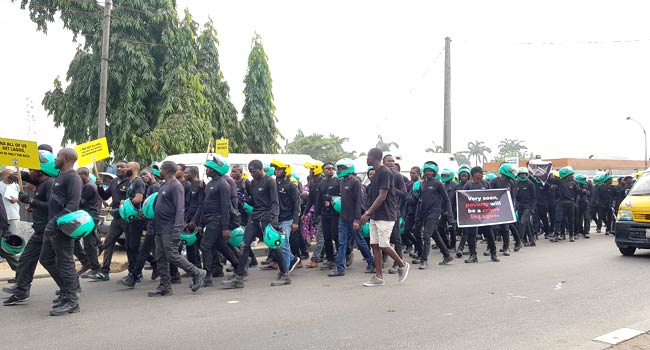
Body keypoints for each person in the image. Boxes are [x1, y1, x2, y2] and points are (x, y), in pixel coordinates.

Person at [222, 160, 290, 288]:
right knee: (244, 245)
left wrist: (274, 219)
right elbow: (253, 201)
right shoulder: (253, 183)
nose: (252, 174)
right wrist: (245, 200)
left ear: (261, 169)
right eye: (251, 172)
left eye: (254, 171)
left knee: (274, 246)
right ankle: (239, 277)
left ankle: (284, 274)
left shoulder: (270, 181)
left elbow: (275, 201)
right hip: (254, 218)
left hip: (267, 218)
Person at [3, 150, 57, 306]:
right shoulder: (41, 183)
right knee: (26, 259)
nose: (29, 172)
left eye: (32, 170)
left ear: (40, 172)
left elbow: (52, 207)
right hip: (39, 230)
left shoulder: (50, 184)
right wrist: (17, 175)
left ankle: (71, 288)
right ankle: (21, 291)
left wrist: (31, 202)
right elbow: (27, 177)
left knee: (52, 262)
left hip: (48, 230)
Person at [147, 161, 207, 297]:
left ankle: (197, 272)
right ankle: (165, 286)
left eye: (161, 169)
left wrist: (177, 229)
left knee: (172, 255)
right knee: (160, 257)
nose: (159, 172)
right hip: (160, 228)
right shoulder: (164, 185)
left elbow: (180, 209)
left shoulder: (176, 186)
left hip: (170, 228)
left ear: (166, 171)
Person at [40, 148, 83, 316]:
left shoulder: (73, 178)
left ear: (64, 158)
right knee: (46, 259)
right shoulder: (59, 176)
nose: (55, 159)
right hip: (53, 227)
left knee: (65, 263)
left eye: (57, 156)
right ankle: (65, 291)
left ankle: (72, 301)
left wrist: (53, 222)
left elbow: (73, 206)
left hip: (63, 228)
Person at [360, 148, 409, 287]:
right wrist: (370, 213)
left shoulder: (385, 173)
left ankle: (402, 264)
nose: (366, 159)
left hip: (386, 215)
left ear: (374, 157)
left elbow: (382, 197)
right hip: (376, 215)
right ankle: (378, 277)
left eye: (368, 156)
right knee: (374, 245)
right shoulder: (376, 174)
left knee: (384, 244)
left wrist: (367, 213)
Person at [189, 156, 241, 287]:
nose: (206, 170)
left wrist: (225, 227)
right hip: (209, 220)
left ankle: (207, 276)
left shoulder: (223, 185)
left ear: (214, 170)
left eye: (208, 168)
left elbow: (225, 207)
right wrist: (200, 224)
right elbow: (204, 205)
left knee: (205, 246)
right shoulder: (210, 185)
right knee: (221, 246)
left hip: (217, 220)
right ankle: (239, 266)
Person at [328, 159, 375, 277]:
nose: (339, 170)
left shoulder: (355, 182)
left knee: (360, 241)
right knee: (341, 243)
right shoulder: (342, 182)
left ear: (349, 168)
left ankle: (371, 262)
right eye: (339, 168)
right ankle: (340, 268)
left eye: (342, 168)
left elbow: (359, 202)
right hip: (343, 217)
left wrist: (357, 219)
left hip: (353, 218)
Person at [87, 161, 129, 281]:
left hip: (127, 217)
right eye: (118, 166)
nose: (119, 168)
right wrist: (99, 187)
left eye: (122, 167)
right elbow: (105, 196)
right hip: (116, 218)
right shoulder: (114, 182)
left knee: (131, 245)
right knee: (108, 243)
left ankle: (142, 267)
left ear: (127, 169)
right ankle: (104, 271)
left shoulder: (130, 182)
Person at [413, 162, 454, 269]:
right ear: (424, 171)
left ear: (435, 172)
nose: (429, 173)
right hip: (424, 213)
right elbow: (420, 201)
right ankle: (447, 255)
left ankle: (424, 260)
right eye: (427, 171)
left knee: (426, 236)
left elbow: (446, 199)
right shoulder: (422, 184)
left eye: (431, 171)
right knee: (435, 235)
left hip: (435, 212)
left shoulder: (438, 183)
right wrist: (418, 215)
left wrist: (450, 215)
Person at [267, 160, 301, 273]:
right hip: (276, 218)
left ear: (284, 170)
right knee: (277, 244)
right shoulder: (272, 183)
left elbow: (297, 203)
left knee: (284, 244)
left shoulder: (291, 185)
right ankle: (293, 259)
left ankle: (284, 272)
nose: (277, 171)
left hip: (287, 219)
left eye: (279, 169)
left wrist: (295, 221)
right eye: (276, 169)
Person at [463, 167, 499, 263]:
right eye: (480, 173)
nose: (482, 174)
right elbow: (463, 198)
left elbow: (490, 196)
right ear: (474, 174)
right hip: (473, 215)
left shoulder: (485, 184)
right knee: (472, 235)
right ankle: (473, 255)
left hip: (484, 215)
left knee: (489, 234)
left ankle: (493, 254)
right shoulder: (468, 185)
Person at [382, 154, 407, 273]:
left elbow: (403, 193)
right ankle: (381, 259)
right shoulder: (380, 174)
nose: (391, 163)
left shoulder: (398, 176)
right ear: (383, 162)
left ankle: (398, 263)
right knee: (382, 238)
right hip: (380, 211)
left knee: (396, 238)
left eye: (393, 161)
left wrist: (390, 188)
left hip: (393, 211)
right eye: (388, 161)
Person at [489, 163, 522, 255]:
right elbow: (490, 194)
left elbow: (513, 196)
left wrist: (512, 208)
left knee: (506, 228)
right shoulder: (494, 181)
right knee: (491, 228)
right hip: (495, 207)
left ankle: (506, 247)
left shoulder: (512, 182)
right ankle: (490, 247)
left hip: (507, 207)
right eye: (510, 171)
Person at [314, 162, 341, 270]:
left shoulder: (338, 182)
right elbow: (318, 200)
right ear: (323, 170)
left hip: (335, 213)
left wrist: (332, 198)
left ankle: (344, 254)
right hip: (325, 214)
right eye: (327, 168)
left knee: (335, 235)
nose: (330, 170)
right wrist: (316, 215)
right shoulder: (322, 184)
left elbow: (342, 197)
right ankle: (330, 259)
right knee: (327, 237)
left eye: (332, 168)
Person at [74, 168, 101, 276]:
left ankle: (94, 267)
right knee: (81, 241)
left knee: (89, 244)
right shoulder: (87, 185)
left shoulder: (89, 186)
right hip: (86, 217)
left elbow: (81, 202)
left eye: (78, 175)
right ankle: (88, 263)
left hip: (89, 217)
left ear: (84, 175)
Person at [548, 166, 580, 242]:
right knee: (558, 219)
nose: (573, 176)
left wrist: (584, 192)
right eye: (571, 174)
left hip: (570, 203)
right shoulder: (559, 181)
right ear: (566, 175)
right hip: (561, 202)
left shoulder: (575, 183)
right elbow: (549, 179)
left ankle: (571, 236)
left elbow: (578, 191)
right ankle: (556, 235)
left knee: (571, 220)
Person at [516, 167, 537, 246]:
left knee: (522, 222)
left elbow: (534, 197)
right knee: (526, 224)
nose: (523, 176)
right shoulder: (516, 183)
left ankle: (519, 240)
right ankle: (532, 240)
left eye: (524, 174)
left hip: (527, 206)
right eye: (521, 174)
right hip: (519, 206)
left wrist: (532, 208)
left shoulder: (530, 184)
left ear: (527, 174)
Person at [0, 168, 20, 236]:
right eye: (10, 175)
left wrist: (16, 199)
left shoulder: (16, 185)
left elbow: (22, 198)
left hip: (13, 215)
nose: (13, 176)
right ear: (4, 176)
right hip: (2, 216)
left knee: (13, 236)